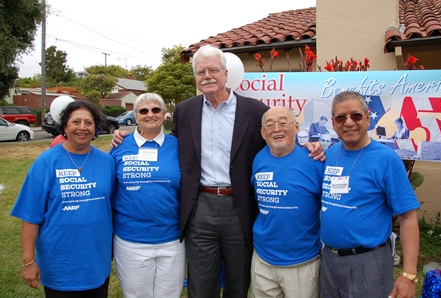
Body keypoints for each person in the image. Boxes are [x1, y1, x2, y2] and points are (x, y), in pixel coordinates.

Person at [112, 45, 324, 298]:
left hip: (240, 206)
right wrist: (128, 138)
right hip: (199, 205)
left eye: (213, 70)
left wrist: (308, 145)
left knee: (238, 280)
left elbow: (277, 138)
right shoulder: (186, 110)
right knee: (201, 283)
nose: (207, 76)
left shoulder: (255, 110)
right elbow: (169, 146)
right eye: (200, 72)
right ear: (195, 78)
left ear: (225, 73)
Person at [320, 91, 420, 298]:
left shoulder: (386, 159)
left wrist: (409, 274)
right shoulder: (328, 155)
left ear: (367, 118)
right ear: (333, 122)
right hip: (330, 260)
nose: (349, 123)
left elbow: (408, 217)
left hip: (367, 262)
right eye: (341, 117)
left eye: (355, 116)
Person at [10, 100, 115, 297]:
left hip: (96, 263)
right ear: (64, 127)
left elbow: (110, 208)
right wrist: (28, 261)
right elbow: (30, 216)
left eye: (89, 122)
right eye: (76, 122)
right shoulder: (46, 162)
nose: (82, 127)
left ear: (96, 128)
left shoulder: (107, 161)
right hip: (60, 265)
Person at [109, 93, 185, 298]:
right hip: (131, 240)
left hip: (172, 240)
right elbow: (109, 190)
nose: (150, 114)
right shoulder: (119, 146)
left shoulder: (179, 145)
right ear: (135, 115)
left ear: (164, 114)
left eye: (156, 109)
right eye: (143, 111)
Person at [251, 106, 323, 298]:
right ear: (262, 132)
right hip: (262, 260)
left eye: (283, 122)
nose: (277, 129)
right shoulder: (257, 160)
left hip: (302, 263)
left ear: (296, 127)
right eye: (270, 125)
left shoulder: (314, 161)